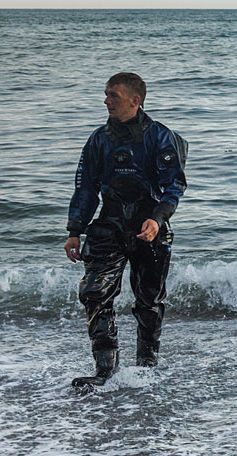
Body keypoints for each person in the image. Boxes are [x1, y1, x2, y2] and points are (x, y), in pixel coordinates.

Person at [64, 72, 187, 388]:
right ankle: (104, 371)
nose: (106, 101)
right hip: (109, 225)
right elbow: (85, 188)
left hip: (151, 227)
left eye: (112, 95)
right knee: (93, 292)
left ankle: (146, 370)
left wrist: (157, 219)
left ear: (136, 100)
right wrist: (75, 230)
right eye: (105, 94)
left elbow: (174, 185)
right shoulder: (98, 139)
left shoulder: (160, 137)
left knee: (149, 301)